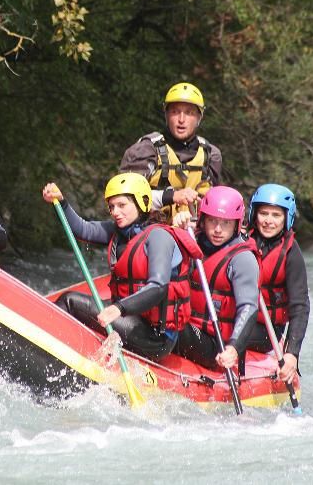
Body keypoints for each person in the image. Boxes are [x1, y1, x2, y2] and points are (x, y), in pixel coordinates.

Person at [41, 173, 203, 361]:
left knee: (70, 301)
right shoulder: (117, 232)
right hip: (130, 318)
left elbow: (158, 288)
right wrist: (61, 203)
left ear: (142, 203)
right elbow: (82, 229)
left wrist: (119, 308)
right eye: (111, 207)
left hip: (156, 337)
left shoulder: (159, 237)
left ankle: (46, 354)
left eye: (122, 205)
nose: (115, 212)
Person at [174, 186, 260, 371]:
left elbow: (248, 307)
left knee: (168, 325)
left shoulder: (242, 259)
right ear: (202, 220)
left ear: (237, 224)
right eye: (212, 221)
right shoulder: (190, 238)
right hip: (188, 325)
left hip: (216, 345)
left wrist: (233, 348)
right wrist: (176, 230)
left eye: (226, 223)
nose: (218, 230)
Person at [119, 82, 223, 227]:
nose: (181, 119)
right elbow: (123, 200)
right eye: (175, 112)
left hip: (195, 233)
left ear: (199, 117)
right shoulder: (146, 150)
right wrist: (172, 196)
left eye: (189, 113)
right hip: (150, 232)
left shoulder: (211, 155)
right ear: (166, 115)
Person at [245, 183, 310, 384]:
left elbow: (300, 307)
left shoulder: (292, 253)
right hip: (235, 318)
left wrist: (292, 354)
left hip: (266, 329)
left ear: (287, 218)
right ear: (254, 214)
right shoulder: (240, 239)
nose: (268, 221)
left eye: (276, 215)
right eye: (264, 213)